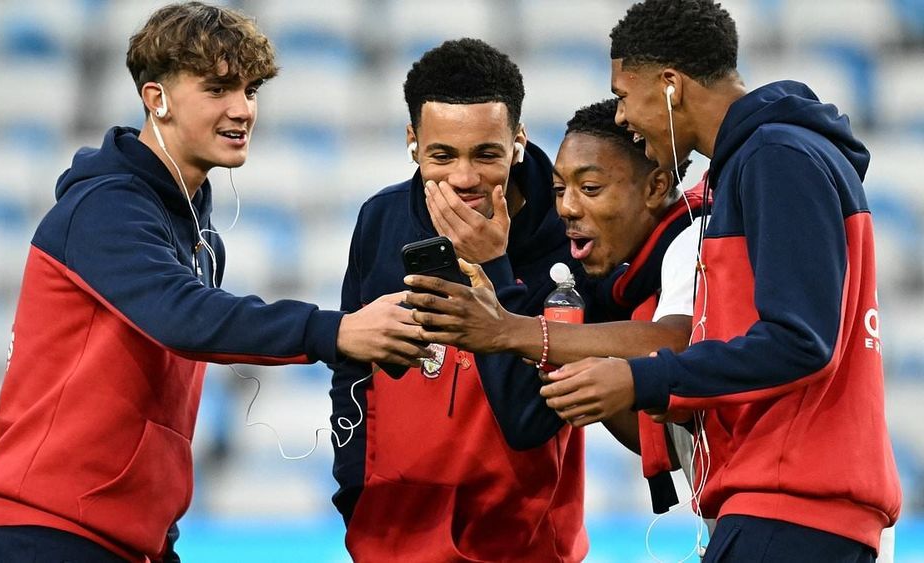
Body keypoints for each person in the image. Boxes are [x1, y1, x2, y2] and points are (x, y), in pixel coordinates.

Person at [0, 3, 426, 562]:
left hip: (129, 543)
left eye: (251, 90)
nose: (242, 109)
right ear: (156, 98)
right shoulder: (105, 207)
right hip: (45, 537)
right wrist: (335, 331)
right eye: (217, 89)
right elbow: (180, 315)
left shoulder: (193, 230)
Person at [539, 0, 902, 560]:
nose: (620, 116)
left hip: (790, 507)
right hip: (776, 507)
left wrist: (644, 378)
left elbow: (801, 342)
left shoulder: (778, 155)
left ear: (670, 85)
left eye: (622, 93)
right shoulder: (759, 160)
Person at [328, 38, 601, 562]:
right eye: (442, 154)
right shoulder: (380, 220)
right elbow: (353, 370)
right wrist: (355, 496)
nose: (464, 178)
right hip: (392, 541)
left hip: (527, 547)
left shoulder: (570, 232)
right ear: (412, 140)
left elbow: (530, 421)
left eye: (487, 154)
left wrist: (495, 267)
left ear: (518, 140)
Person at [404, 98, 705, 517]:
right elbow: (668, 441)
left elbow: (677, 340)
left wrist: (516, 327)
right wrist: (564, 367)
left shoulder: (696, 241)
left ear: (656, 186)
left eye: (591, 188)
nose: (567, 207)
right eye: (560, 189)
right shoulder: (625, 286)